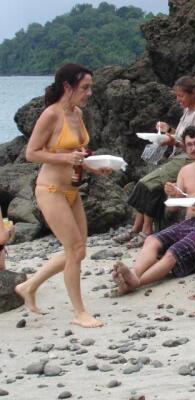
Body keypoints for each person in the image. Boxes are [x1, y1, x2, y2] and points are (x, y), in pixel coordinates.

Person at [15, 63, 112, 328]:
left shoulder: (77, 113)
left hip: (72, 190)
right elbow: (31, 153)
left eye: (90, 87)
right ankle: (80, 312)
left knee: (78, 252)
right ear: (67, 87)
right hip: (50, 190)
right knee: (75, 249)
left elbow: (80, 153)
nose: (90, 92)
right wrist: (67, 157)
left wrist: (95, 165)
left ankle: (29, 286)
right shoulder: (51, 114)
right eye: (85, 87)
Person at [113, 126, 195, 294]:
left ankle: (135, 283)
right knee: (151, 240)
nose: (193, 148)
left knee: (174, 252)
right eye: (189, 145)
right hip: (188, 222)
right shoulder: (184, 171)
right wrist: (171, 194)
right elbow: (173, 208)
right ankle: (134, 274)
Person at [113, 76, 195, 248]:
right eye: (176, 96)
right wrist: (168, 130)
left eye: (181, 96)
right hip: (178, 157)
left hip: (188, 160)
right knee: (151, 185)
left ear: (193, 94)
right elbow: (184, 135)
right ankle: (136, 228)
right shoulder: (189, 112)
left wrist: (171, 141)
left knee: (147, 184)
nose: (178, 100)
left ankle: (145, 231)